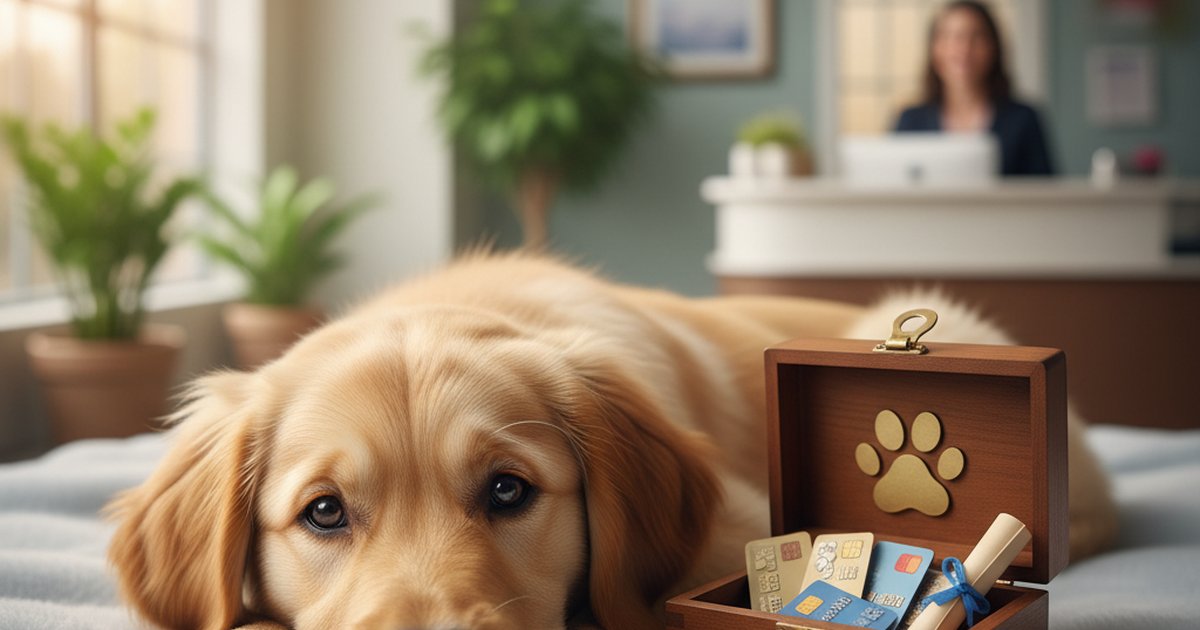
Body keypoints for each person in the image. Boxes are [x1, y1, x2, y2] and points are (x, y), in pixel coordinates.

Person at [895, 1, 1054, 176]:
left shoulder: (1023, 120)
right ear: (934, 49)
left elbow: (1044, 194)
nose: (964, 49)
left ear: (993, 48)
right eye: (950, 37)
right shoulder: (910, 121)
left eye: (976, 37)